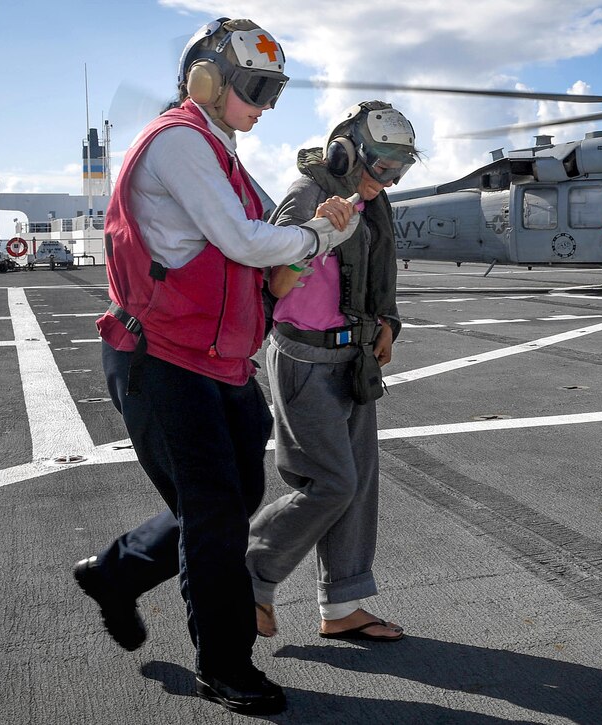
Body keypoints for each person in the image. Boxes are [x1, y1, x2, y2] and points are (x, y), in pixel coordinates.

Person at [72, 18, 360, 716]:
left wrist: (310, 237)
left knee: (230, 501)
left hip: (216, 362)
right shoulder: (179, 143)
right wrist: (321, 231)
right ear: (206, 80)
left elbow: (266, 249)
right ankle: (224, 665)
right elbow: (243, 237)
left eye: (273, 90)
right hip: (162, 360)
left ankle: (117, 573)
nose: (265, 103)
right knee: (216, 518)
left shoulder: (221, 153)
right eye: (256, 87)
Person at [245, 101, 416, 645]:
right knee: (329, 484)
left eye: (398, 170)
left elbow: (378, 271)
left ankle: (342, 605)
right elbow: (270, 283)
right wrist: (317, 235)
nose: (385, 180)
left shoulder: (375, 202)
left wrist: (387, 321)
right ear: (344, 153)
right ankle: (247, 574)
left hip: (354, 358)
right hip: (304, 360)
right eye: (379, 167)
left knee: (358, 485)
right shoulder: (307, 195)